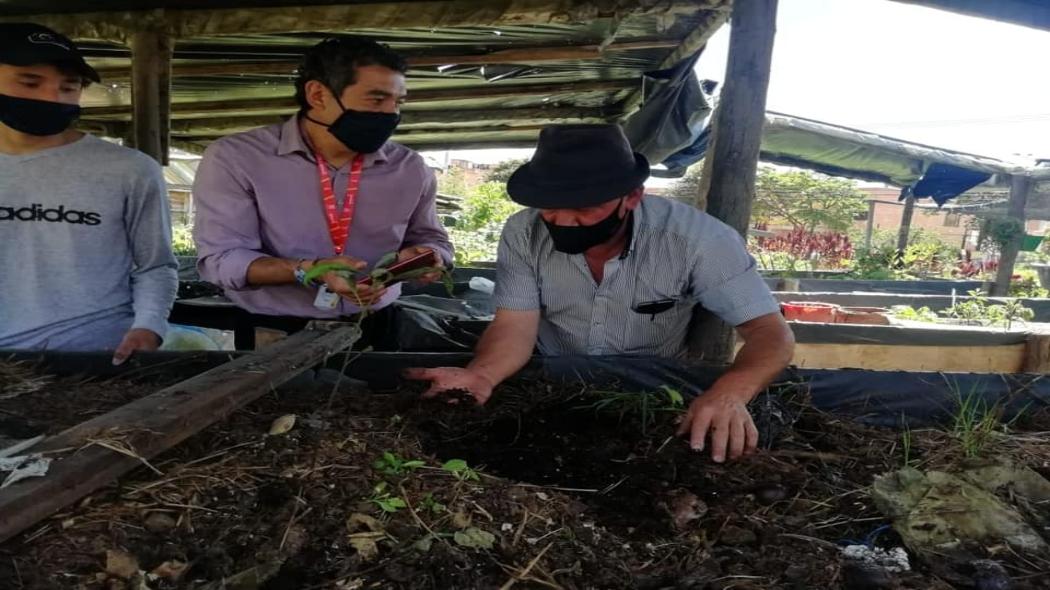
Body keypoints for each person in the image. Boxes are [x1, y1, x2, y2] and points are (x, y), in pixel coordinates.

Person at [407, 124, 795, 463]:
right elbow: (515, 325)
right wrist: (482, 376)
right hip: (552, 383)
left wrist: (729, 393)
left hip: (655, 393)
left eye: (585, 209)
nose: (563, 221)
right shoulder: (524, 232)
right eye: (551, 208)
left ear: (632, 197)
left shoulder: (698, 241)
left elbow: (771, 334)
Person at [192, 37, 452, 343]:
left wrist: (429, 257)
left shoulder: (409, 168)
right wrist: (310, 271)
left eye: (398, 102)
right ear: (317, 94)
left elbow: (433, 240)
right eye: (376, 99)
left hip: (376, 325)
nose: (390, 114)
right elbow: (221, 259)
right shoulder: (238, 159)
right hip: (275, 330)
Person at [0, 23, 178, 364]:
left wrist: (149, 327)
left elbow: (155, 265)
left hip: (98, 358)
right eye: (30, 82)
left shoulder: (129, 169)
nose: (52, 98)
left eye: (69, 87)